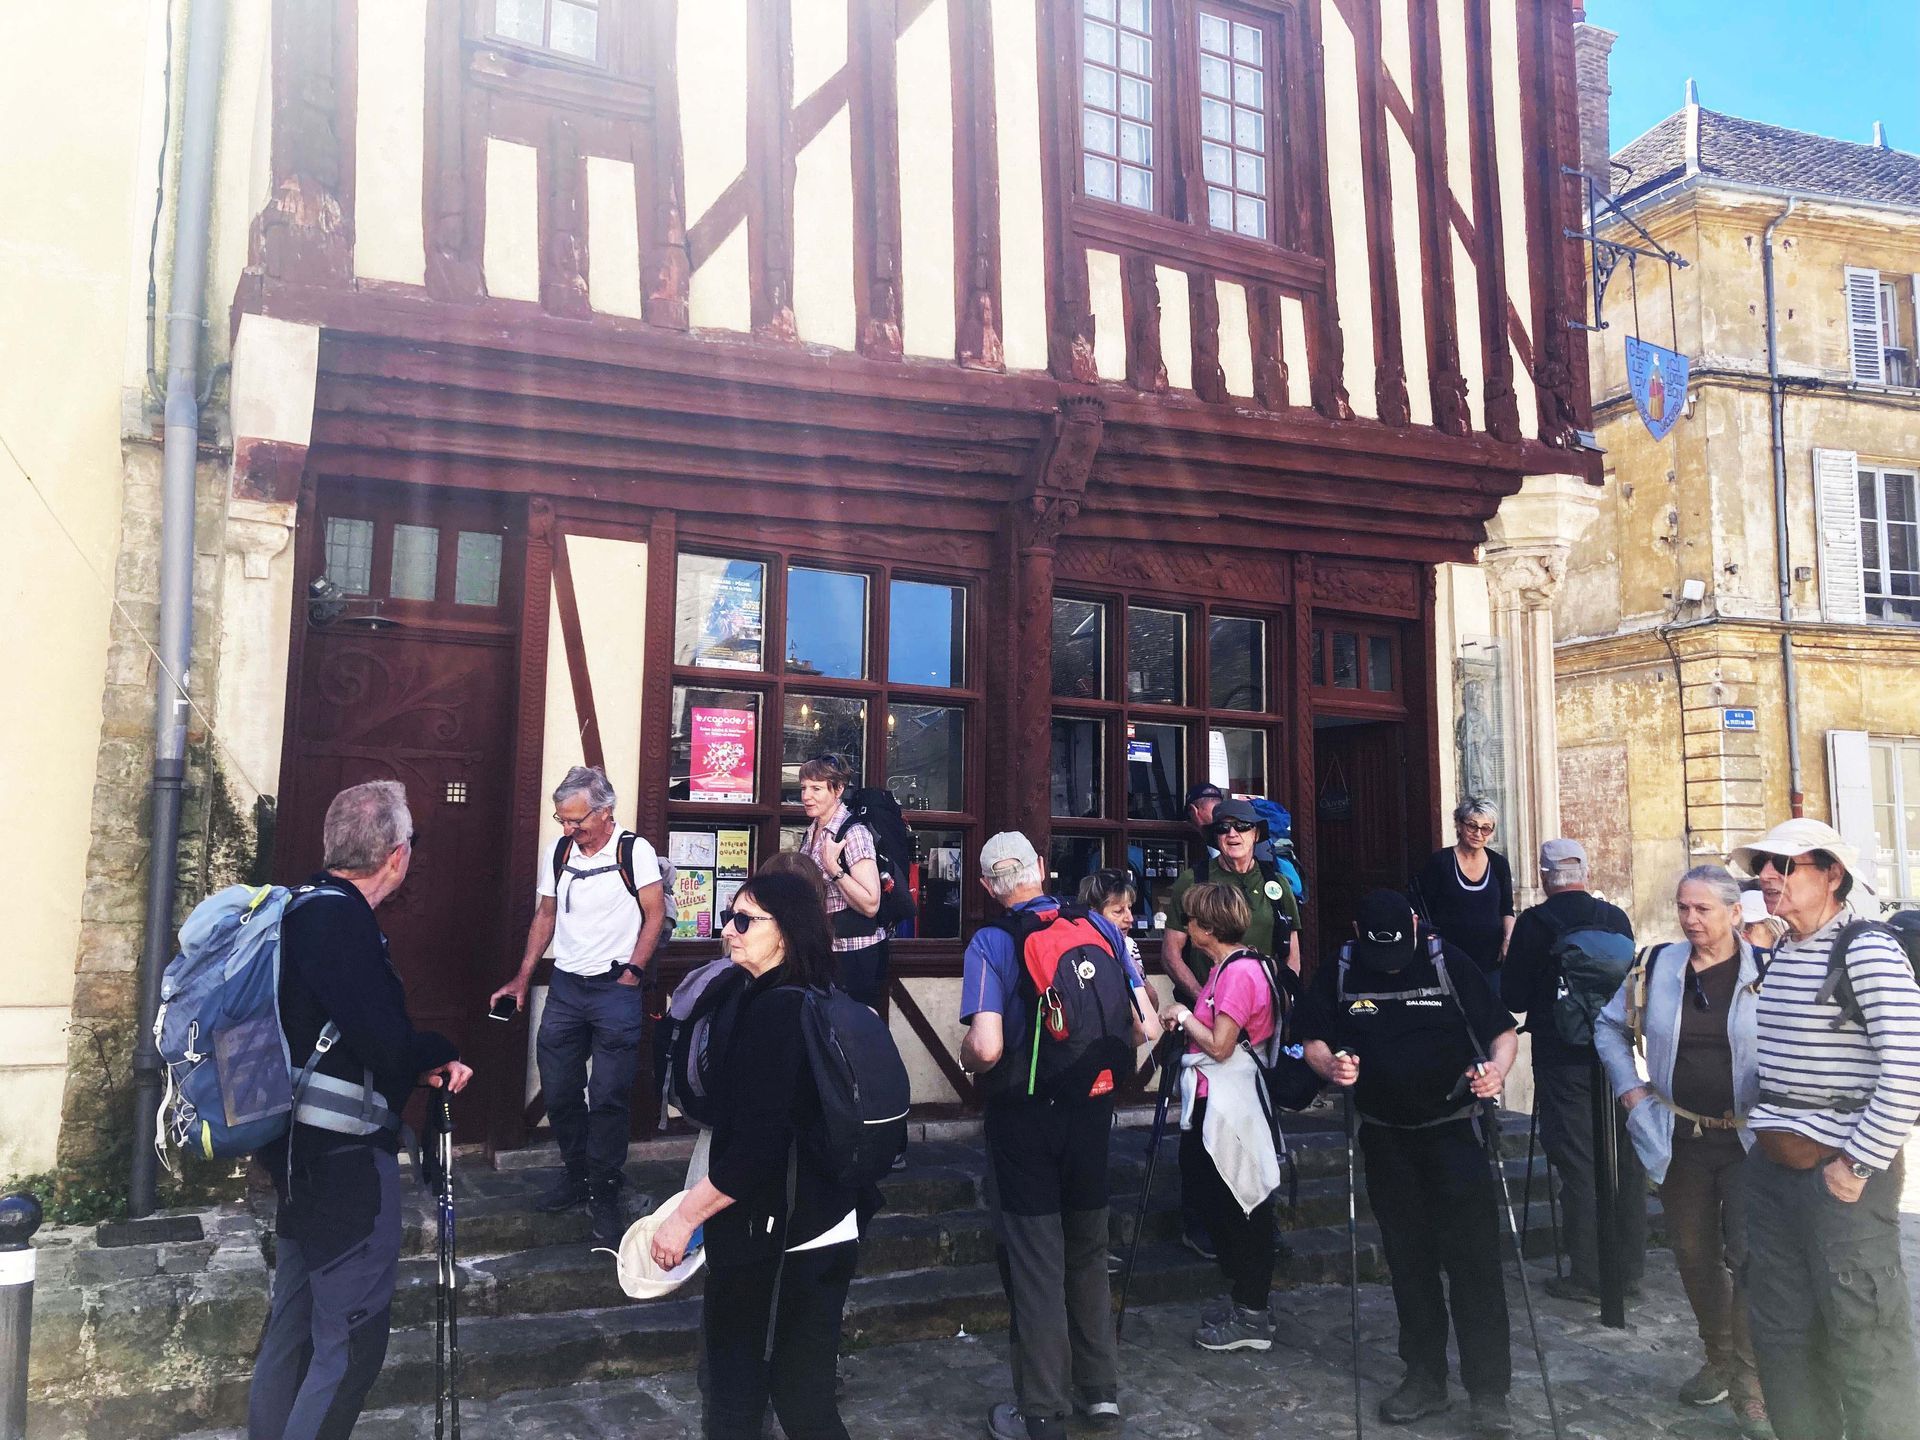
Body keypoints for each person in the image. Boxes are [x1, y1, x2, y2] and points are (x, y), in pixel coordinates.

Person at [248, 781, 472, 1440]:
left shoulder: (296, 909)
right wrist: (442, 1050)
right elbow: (387, 1044)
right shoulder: (343, 923)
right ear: (396, 855)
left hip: (294, 1154)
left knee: (291, 1333)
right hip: (343, 1167)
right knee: (347, 1349)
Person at [647, 870, 860, 1440]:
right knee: (800, 1394)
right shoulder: (809, 995)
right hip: (823, 1219)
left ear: (785, 932)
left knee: (742, 1389)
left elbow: (756, 1148)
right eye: (728, 916)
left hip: (777, 1231)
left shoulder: (776, 1011)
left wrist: (684, 1218)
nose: (729, 930)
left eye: (745, 921)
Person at [1298, 889, 1519, 1439]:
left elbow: (1502, 1031)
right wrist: (1332, 1066)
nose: (1391, 963)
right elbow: (1312, 1038)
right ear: (1357, 932)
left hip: (1454, 1131)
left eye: (1399, 949)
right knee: (1408, 1260)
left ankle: (1489, 1391)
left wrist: (1496, 1071)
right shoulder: (1342, 967)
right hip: (1385, 1137)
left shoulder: (1448, 961)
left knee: (1474, 1262)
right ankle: (1424, 1377)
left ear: (1416, 926)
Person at [1731, 819, 1920, 1440]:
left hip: (1840, 1181)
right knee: (1783, 1337)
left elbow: (1909, 1069)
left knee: (1866, 1339)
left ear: (1833, 874)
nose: (1766, 875)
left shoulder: (1866, 950)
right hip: (1773, 1176)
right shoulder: (1785, 949)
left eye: (1785, 864)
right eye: (1761, 864)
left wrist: (1857, 1165)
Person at [961, 832, 1152, 1440]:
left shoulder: (992, 941)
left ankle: (1041, 1410)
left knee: (1037, 1260)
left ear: (987, 886)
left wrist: (967, 1057)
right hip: (1091, 1110)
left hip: (1025, 1120)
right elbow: (1143, 1026)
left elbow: (988, 1047)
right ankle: (1100, 1393)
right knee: (1089, 1250)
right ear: (1041, 868)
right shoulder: (1100, 927)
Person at [1595, 866, 1767, 1437]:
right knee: (1692, 1252)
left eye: (1703, 909)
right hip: (1680, 1136)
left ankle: (1749, 1380)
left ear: (1735, 913)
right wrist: (1630, 1089)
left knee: (1748, 1255)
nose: (1690, 920)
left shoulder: (1768, 970)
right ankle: (1718, 1356)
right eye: (1683, 907)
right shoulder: (1656, 965)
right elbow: (1608, 1027)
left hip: (1749, 1140)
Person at [490, 766, 667, 1245]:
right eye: (562, 819)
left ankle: (604, 1188)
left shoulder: (634, 851)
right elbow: (545, 915)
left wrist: (633, 972)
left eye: (576, 820)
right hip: (567, 988)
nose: (569, 828)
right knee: (559, 1088)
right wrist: (523, 977)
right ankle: (576, 1173)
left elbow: (654, 915)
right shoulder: (560, 851)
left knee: (608, 1095)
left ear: (605, 812)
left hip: (615, 989)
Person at [1499, 838, 1644, 1306]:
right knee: (1623, 1160)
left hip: (1561, 1058)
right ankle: (1628, 1270)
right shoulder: (1615, 918)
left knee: (1578, 1161)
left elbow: (1514, 996)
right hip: (1616, 1057)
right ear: (1585, 872)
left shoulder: (1534, 923)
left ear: (1544, 876)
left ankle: (1589, 1275)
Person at [1157, 883, 1280, 1352]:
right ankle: (1246, 1304)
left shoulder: (1238, 973)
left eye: (1190, 920)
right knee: (1215, 1196)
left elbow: (1222, 1045)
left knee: (1237, 1202)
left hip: (1231, 1105)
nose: (1185, 927)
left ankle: (1252, 1312)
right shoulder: (1229, 968)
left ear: (1208, 927)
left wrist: (1183, 1015)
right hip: (1218, 1101)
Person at [1163, 798, 1303, 997]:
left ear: (1256, 834)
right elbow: (1171, 954)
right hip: (1208, 1001)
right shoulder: (1192, 880)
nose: (1232, 833)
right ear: (1215, 836)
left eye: (1242, 826)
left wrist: (1280, 998)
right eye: (1223, 828)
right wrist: (1203, 999)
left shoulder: (1277, 883)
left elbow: (1293, 956)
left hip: (1262, 1004)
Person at [796, 754, 890, 1010]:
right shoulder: (813, 831)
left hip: (854, 956)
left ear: (837, 790)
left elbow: (871, 903)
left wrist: (833, 868)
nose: (806, 796)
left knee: (853, 1030)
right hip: (825, 950)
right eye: (803, 788)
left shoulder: (853, 833)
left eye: (816, 789)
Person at [1411, 798, 1514, 982]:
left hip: (1491, 962)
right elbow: (1423, 911)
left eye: (1486, 828)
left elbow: (1506, 909)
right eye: (1472, 826)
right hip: (1448, 960)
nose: (1478, 834)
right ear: (1459, 825)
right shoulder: (1440, 862)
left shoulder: (1499, 864)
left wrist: (1508, 940)